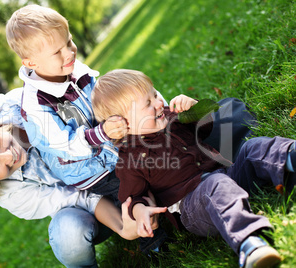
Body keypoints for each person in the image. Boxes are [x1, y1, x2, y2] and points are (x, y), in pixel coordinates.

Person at [92, 69, 296, 268]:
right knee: (216, 185)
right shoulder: (131, 159)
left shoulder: (169, 117)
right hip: (195, 207)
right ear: (124, 124)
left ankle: (289, 158)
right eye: (148, 103)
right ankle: (250, 244)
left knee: (251, 148)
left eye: (155, 94)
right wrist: (141, 211)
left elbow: (207, 126)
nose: (158, 102)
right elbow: (134, 197)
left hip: (226, 174)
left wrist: (193, 108)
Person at [0, 120, 165, 267]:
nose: (8, 157)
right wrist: (123, 228)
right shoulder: (11, 195)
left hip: (118, 161)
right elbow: (80, 198)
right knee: (67, 230)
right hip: (98, 205)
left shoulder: (22, 108)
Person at [5, 4, 138, 203]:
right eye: (57, 51)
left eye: (69, 42)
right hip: (89, 170)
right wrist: (102, 133)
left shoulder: (71, 69)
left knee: (149, 161)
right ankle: (154, 230)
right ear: (31, 63)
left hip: (110, 146)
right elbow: (64, 145)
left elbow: (98, 99)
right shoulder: (36, 105)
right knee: (132, 192)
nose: (69, 53)